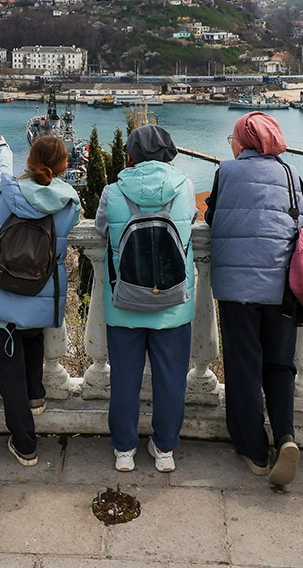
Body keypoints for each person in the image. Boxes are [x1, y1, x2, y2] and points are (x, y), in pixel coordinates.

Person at [204, 111, 303, 486]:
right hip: (282, 287)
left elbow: (212, 216)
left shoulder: (226, 171)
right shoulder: (290, 173)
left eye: (233, 138)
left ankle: (254, 451)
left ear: (245, 142)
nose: (231, 145)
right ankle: (285, 436)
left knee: (244, 367)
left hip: (238, 289)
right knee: (280, 366)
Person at [0, 134, 80, 466]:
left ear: (29, 161)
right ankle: (36, 396)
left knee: (9, 372)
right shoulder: (70, 202)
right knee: (31, 332)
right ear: (63, 167)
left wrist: (4, 149)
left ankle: (25, 443)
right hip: (39, 291)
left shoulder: (8, 192)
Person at [96, 124, 196, 473]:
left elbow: (100, 228)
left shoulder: (113, 190)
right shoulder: (185, 185)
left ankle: (124, 450)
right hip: (173, 302)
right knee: (171, 378)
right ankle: (164, 449)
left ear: (131, 154)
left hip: (123, 301)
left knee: (125, 377)